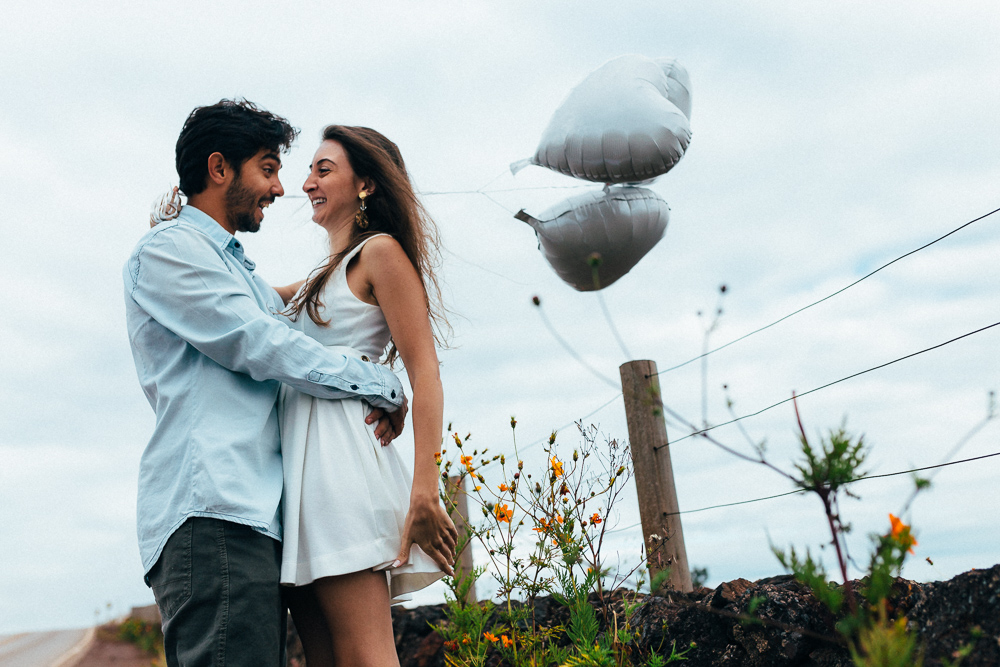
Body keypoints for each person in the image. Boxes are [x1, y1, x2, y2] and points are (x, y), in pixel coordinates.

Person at [122, 100, 409, 666]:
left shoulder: (239, 274)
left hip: (255, 518)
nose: (280, 188)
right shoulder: (170, 251)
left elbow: (305, 305)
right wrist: (377, 382)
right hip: (214, 512)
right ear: (218, 168)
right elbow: (261, 343)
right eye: (268, 168)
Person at [278, 125, 458, 665]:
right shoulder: (318, 279)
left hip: (340, 473)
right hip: (300, 481)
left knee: (365, 655)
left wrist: (424, 490)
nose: (307, 183)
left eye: (324, 170)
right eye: (309, 171)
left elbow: (426, 373)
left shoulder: (378, 253)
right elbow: (246, 296)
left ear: (366, 185)